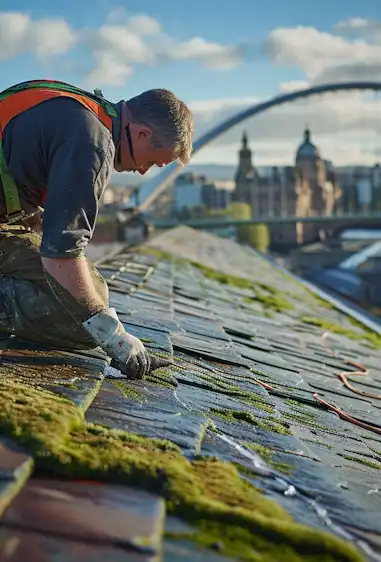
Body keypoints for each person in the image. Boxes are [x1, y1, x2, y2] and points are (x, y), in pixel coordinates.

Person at [0, 79, 194, 379]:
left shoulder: (82, 112)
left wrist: (31, 213)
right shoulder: (93, 143)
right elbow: (62, 256)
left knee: (89, 292)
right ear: (143, 133)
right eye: (153, 162)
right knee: (81, 320)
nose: (143, 171)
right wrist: (114, 338)